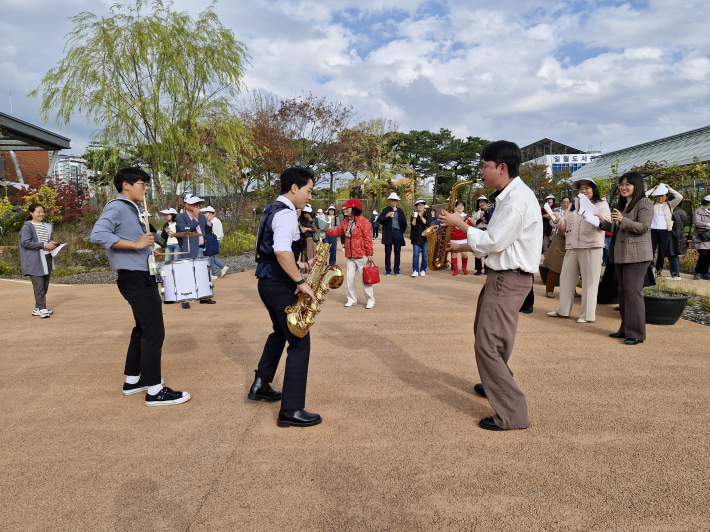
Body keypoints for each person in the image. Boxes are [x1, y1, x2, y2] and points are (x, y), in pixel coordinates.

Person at [438, 140, 541, 431]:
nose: (481, 171)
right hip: (505, 276)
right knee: (489, 335)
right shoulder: (512, 196)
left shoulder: (517, 199)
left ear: (502, 168)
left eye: (485, 166)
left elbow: (494, 241)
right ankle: (496, 382)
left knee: (488, 342)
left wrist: (460, 224)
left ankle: (512, 413)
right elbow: (502, 241)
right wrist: (464, 249)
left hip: (508, 278)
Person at [90, 167, 190, 406]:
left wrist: (146, 248)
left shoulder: (132, 209)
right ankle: (155, 390)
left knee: (143, 329)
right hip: (134, 278)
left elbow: (131, 241)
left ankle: (134, 380)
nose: (146, 188)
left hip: (140, 275)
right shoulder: (117, 206)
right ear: (126, 184)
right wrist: (135, 245)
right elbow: (97, 235)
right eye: (142, 184)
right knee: (154, 330)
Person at [249, 167, 321, 427]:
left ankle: (261, 384)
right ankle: (291, 410)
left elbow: (272, 253)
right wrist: (301, 282)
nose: (309, 197)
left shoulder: (271, 210)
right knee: (300, 341)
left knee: (280, 332)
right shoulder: (287, 215)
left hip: (267, 282)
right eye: (308, 191)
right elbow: (281, 251)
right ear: (294, 188)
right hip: (280, 285)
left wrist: (301, 265)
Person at [597, 172, 654, 345]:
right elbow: (617, 228)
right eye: (621, 184)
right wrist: (602, 223)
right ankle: (625, 329)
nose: (623, 187)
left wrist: (622, 220)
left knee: (632, 293)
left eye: (628, 184)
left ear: (637, 186)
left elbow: (643, 227)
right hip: (622, 255)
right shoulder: (623, 205)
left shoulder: (645, 202)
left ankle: (636, 333)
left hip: (637, 256)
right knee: (623, 293)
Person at [547, 179, 611, 323]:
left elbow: (607, 223)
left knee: (590, 282)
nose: (583, 191)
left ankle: (587, 315)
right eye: (581, 189)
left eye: (587, 188)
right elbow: (565, 224)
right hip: (572, 245)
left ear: (593, 190)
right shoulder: (572, 205)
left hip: (591, 245)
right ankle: (563, 310)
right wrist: (557, 220)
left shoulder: (601, 204)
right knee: (566, 278)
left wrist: (600, 219)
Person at [326, 198, 375, 308]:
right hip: (350, 255)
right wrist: (327, 230)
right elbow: (339, 231)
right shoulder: (346, 221)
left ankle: (370, 300)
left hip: (361, 255)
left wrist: (369, 254)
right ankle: (352, 299)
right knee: (349, 278)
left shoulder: (364, 221)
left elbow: (368, 238)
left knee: (365, 278)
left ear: (354, 208)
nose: (344, 209)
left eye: (347, 207)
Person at [175, 195, 216, 309]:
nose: (196, 206)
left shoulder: (202, 217)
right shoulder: (181, 218)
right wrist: (195, 218)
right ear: (187, 205)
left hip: (202, 248)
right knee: (187, 273)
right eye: (193, 204)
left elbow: (207, 231)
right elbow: (184, 230)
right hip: (190, 248)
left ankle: (204, 296)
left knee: (203, 273)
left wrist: (208, 222)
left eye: (197, 204)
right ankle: (185, 298)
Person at [19, 203, 58, 319]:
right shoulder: (27, 227)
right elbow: (25, 242)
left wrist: (53, 244)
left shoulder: (48, 226)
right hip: (34, 259)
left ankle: (37, 308)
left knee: (45, 284)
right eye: (38, 212)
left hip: (47, 258)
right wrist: (44, 245)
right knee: (38, 285)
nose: (41, 214)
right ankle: (42, 308)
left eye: (42, 212)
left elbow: (48, 240)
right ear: (31, 213)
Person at [646, 183, 683, 277]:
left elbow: (679, 197)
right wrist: (652, 190)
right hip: (653, 231)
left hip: (665, 232)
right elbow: (643, 196)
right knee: (651, 251)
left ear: (666, 197)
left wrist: (669, 189)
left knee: (662, 253)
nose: (660, 197)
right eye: (658, 195)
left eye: (662, 195)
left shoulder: (670, 205)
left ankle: (658, 271)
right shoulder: (652, 204)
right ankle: (649, 270)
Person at [542, 196, 570, 297]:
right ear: (562, 202)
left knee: (571, 270)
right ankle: (549, 290)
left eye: (568, 202)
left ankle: (572, 291)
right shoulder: (556, 210)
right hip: (559, 240)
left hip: (572, 243)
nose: (566, 204)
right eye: (564, 202)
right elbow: (553, 222)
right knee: (554, 268)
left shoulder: (574, 211)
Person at [377, 192, 407, 276]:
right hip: (388, 233)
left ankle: (396, 269)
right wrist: (386, 216)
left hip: (397, 232)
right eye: (392, 200)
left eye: (395, 200)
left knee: (397, 252)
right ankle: (388, 270)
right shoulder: (385, 210)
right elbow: (379, 220)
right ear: (389, 201)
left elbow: (404, 223)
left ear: (397, 201)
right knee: (388, 252)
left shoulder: (400, 211)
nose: (393, 202)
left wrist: (401, 232)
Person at [201, 206, 229, 278]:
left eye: (206, 213)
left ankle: (213, 274)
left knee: (210, 258)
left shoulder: (212, 221)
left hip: (213, 241)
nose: (205, 214)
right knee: (211, 257)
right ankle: (222, 267)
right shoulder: (217, 220)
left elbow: (208, 231)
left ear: (210, 213)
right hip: (217, 240)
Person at [449, 200, 473, 275]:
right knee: (454, 254)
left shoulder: (467, 216)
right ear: (455, 207)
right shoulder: (452, 216)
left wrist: (465, 223)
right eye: (458, 206)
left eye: (462, 206)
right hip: (453, 238)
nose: (460, 207)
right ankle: (455, 270)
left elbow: (470, 227)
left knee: (464, 254)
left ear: (464, 208)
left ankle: (464, 268)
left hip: (463, 238)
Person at [666, 204, 688, 281]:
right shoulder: (683, 212)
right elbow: (685, 223)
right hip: (680, 234)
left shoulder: (671, 212)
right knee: (675, 255)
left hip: (672, 234)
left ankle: (675, 274)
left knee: (672, 254)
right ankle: (675, 272)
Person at [691, 195, 710, 280]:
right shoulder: (698, 211)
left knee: (708, 255)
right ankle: (698, 272)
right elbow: (697, 223)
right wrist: (707, 225)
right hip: (700, 237)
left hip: (709, 237)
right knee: (703, 254)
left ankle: (705, 272)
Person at [410, 199, 430, 277]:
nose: (420, 206)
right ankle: (415, 270)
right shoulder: (413, 214)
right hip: (415, 238)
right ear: (416, 207)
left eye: (421, 205)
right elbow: (413, 225)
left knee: (425, 255)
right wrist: (415, 217)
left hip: (425, 238)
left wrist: (421, 217)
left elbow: (428, 224)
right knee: (416, 255)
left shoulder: (427, 214)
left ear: (424, 206)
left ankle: (423, 270)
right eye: (418, 205)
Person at [473, 196, 491, 275]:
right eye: (480, 202)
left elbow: (490, 221)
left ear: (487, 203)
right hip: (478, 231)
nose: (482, 204)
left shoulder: (490, 211)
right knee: (477, 250)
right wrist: (480, 219)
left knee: (487, 250)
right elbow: (473, 221)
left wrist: (485, 218)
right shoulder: (475, 212)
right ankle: (478, 269)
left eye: (484, 202)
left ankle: (487, 268)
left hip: (487, 231)